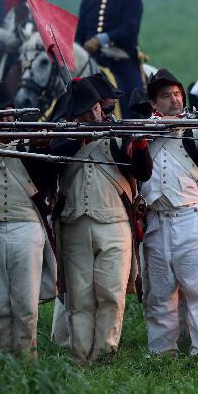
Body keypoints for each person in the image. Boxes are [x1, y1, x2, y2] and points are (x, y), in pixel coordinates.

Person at [51, 78, 152, 362]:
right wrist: (78, 135)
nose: (95, 116)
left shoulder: (118, 133)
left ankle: (105, 352)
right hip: (74, 226)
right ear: (74, 116)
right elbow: (54, 157)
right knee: (80, 297)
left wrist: (140, 146)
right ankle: (80, 354)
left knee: (111, 293)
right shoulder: (63, 137)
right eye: (87, 112)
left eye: (96, 108)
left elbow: (142, 171)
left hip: (115, 224)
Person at [138, 69, 198, 356]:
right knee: (160, 294)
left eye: (178, 94)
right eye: (166, 96)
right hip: (156, 221)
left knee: (197, 290)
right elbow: (136, 170)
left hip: (190, 218)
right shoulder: (141, 130)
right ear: (154, 104)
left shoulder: (195, 129)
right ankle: (162, 351)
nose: (175, 100)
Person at [0, 83, 56, 355]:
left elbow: (49, 178)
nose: (5, 120)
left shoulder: (29, 143)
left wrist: (41, 146)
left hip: (26, 228)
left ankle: (27, 360)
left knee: (25, 305)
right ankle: (2, 361)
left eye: (8, 114)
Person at [75, 0, 145, 113]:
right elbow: (80, 32)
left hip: (121, 60)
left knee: (134, 96)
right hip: (92, 60)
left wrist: (100, 40)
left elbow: (129, 29)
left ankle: (134, 134)